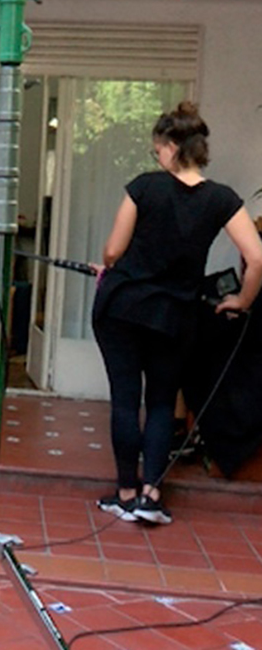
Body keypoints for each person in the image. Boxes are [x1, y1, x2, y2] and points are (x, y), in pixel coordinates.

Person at [92, 101, 262, 525]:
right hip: (175, 316)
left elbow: (112, 251)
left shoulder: (144, 188)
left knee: (125, 401)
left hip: (123, 308)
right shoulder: (222, 199)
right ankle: (151, 496)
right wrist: (242, 301)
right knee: (162, 401)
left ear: (171, 146)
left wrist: (111, 265)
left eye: (158, 151)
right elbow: (257, 259)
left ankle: (125, 493)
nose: (157, 159)